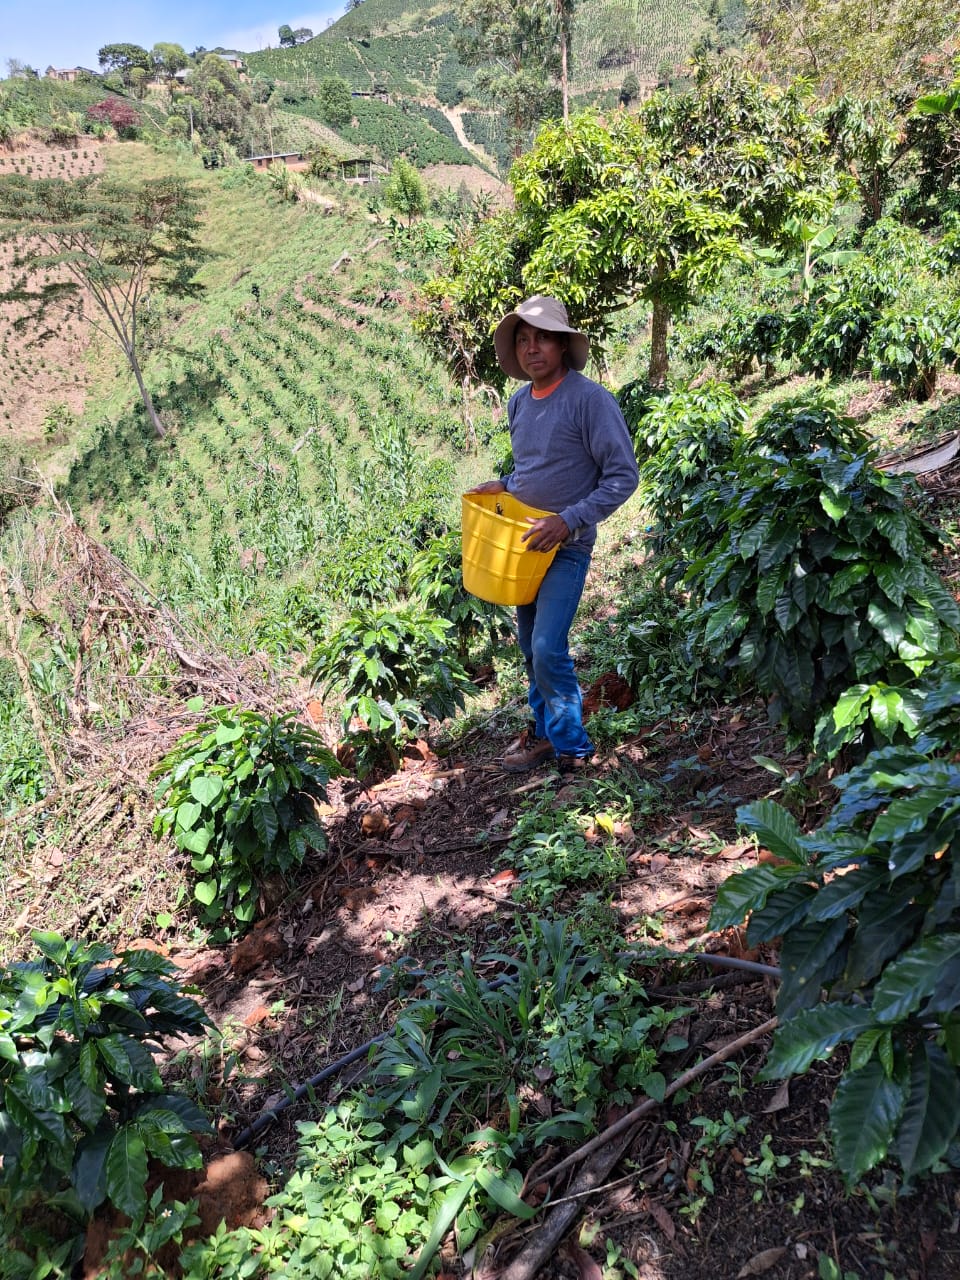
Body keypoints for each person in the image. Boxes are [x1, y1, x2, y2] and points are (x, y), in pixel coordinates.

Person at [469, 295, 639, 772]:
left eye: (542, 337)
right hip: (523, 548)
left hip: (566, 548)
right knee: (530, 649)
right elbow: (535, 469)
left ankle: (574, 748)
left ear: (563, 344)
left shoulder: (590, 400)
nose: (532, 347)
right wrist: (504, 485)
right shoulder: (519, 404)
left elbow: (623, 476)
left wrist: (568, 520)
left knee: (547, 647)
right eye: (523, 339)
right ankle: (544, 735)